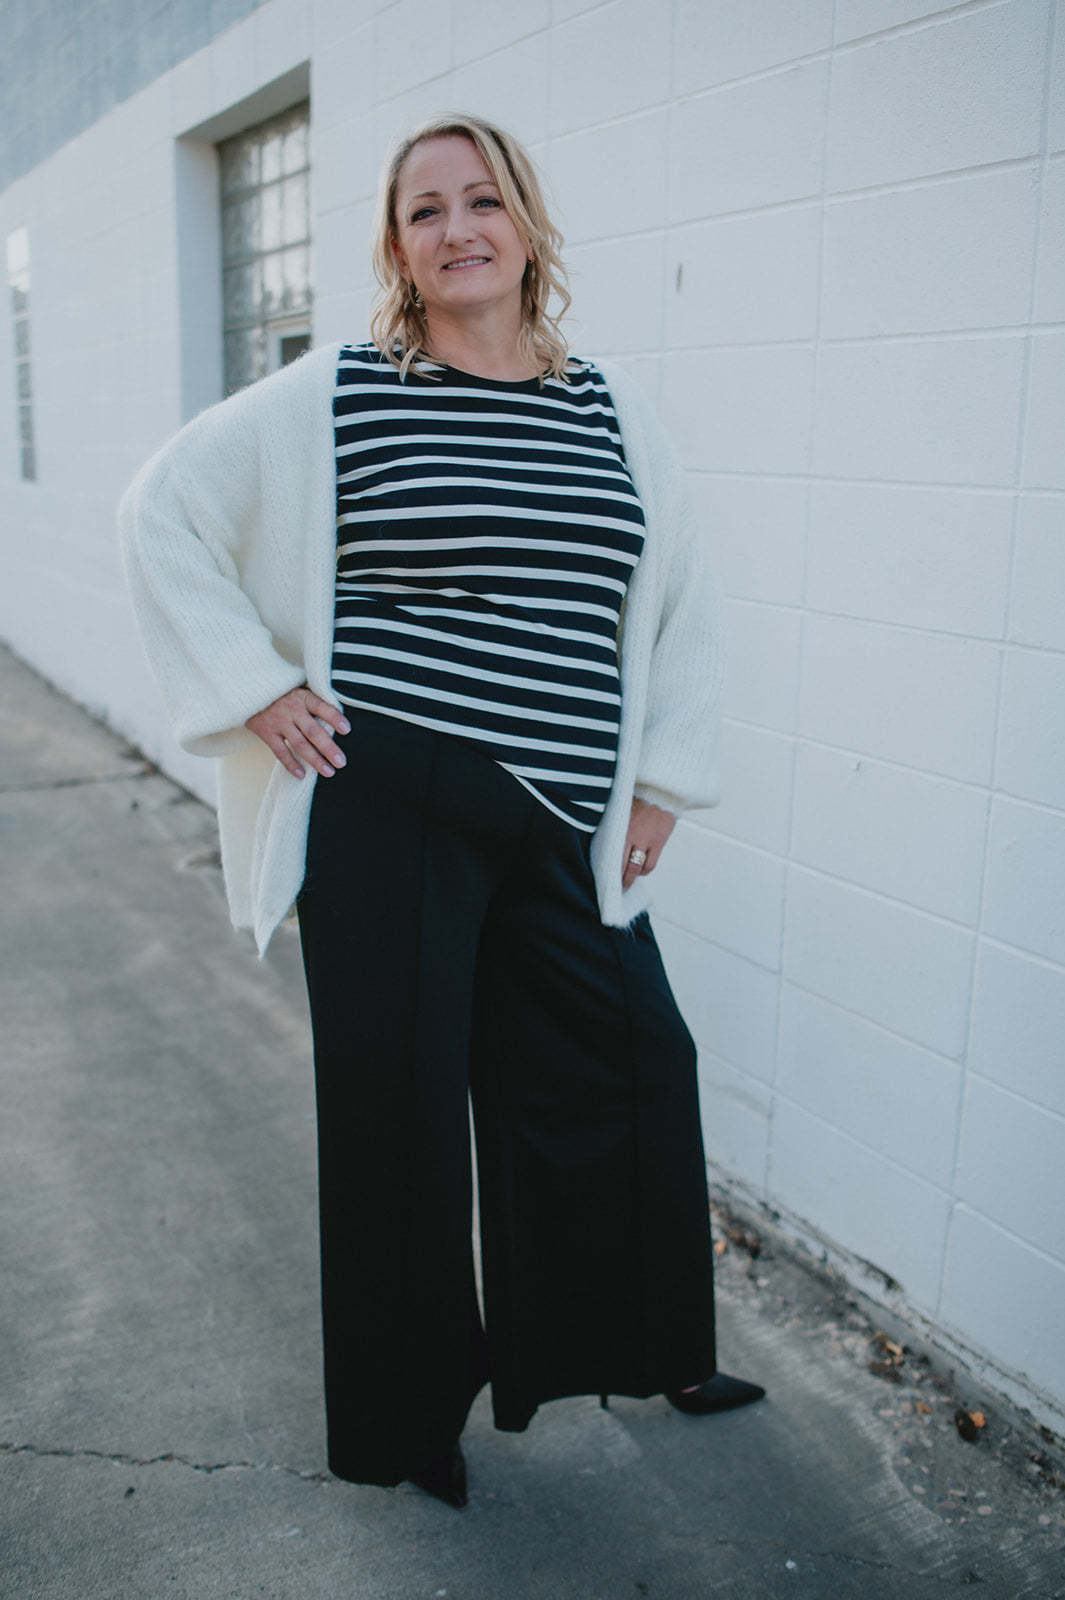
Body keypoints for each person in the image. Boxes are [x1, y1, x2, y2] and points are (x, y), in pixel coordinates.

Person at [119, 113, 764, 1510]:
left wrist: (661, 777)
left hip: (561, 813)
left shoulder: (605, 405)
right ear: (397, 246)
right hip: (392, 803)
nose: (458, 228)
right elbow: (160, 512)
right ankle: (410, 1417)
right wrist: (254, 687)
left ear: (526, 224)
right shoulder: (341, 391)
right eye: (426, 210)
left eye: (482, 201)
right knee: (396, 1117)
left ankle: (643, 1344)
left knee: (633, 1068)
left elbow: (678, 596)